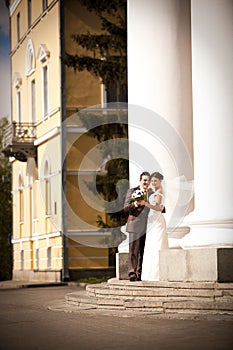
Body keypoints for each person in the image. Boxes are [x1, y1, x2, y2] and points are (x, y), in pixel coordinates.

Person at [139, 172, 168, 281]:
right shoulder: (156, 192)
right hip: (153, 221)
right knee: (152, 245)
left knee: (157, 244)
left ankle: (157, 274)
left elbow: (158, 208)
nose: (153, 183)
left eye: (155, 181)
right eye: (152, 181)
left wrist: (145, 204)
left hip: (158, 221)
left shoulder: (160, 192)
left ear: (160, 181)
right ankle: (151, 274)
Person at [124, 171, 152, 281]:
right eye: (144, 180)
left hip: (147, 224)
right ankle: (132, 272)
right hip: (134, 224)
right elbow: (126, 207)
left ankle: (139, 273)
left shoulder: (151, 192)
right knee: (133, 249)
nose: (146, 182)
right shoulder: (132, 191)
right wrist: (136, 203)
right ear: (140, 180)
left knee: (142, 250)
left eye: (148, 180)